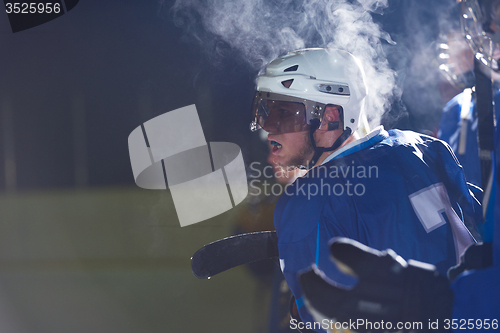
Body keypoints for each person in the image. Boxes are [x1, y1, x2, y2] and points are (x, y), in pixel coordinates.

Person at [249, 48, 481, 331]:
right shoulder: (427, 146)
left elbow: (332, 322)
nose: (269, 129)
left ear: (330, 117)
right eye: (265, 113)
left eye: (283, 115)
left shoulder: (307, 199)